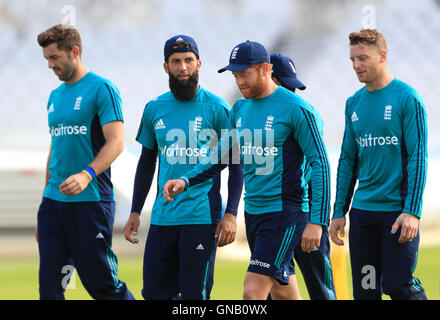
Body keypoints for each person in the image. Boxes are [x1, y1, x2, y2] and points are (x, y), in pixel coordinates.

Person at [163, 40, 331, 300]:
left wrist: (317, 222)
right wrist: (185, 180)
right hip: (254, 214)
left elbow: (320, 165)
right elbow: (223, 154)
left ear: (265, 69)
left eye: (244, 74)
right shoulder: (240, 108)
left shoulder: (297, 109)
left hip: (285, 213)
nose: (239, 81)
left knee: (253, 291)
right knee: (282, 291)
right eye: (235, 75)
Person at [123, 35, 243, 300]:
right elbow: (146, 163)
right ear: (166, 67)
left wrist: (231, 213)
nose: (183, 67)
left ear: (199, 63)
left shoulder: (217, 108)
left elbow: (236, 164)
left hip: (201, 217)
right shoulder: (154, 108)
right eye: (175, 61)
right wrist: (135, 210)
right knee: (153, 293)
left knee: (194, 298)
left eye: (189, 60)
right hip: (163, 217)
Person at [36, 24, 134, 300]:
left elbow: (116, 142)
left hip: (90, 202)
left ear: (74, 52)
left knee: (102, 286)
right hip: (54, 206)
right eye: (46, 59)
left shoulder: (102, 89)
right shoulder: (55, 97)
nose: (50, 65)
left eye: (54, 58)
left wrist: (86, 174)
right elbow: (55, 149)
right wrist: (45, 201)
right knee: (50, 289)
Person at [330, 29, 428, 300]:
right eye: (352, 60)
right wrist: (339, 211)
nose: (356, 66)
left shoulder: (407, 98)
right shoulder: (354, 103)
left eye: (362, 58)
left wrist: (412, 211)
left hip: (396, 214)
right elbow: (348, 160)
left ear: (382, 56)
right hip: (363, 216)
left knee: (398, 285)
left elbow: (418, 157)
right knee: (366, 291)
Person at [270, 53, 336, 300]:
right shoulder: (255, 115)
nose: (291, 92)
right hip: (272, 216)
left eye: (292, 87)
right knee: (270, 285)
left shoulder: (304, 113)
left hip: (305, 212)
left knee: (321, 288)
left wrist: (317, 221)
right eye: (285, 85)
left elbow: (319, 167)